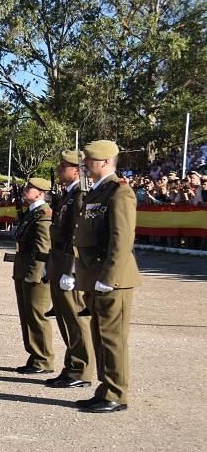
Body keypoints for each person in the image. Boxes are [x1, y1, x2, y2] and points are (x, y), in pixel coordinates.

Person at [73, 140, 140, 413]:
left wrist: (108, 277)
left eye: (90, 161)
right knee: (100, 336)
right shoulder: (96, 192)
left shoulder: (119, 193)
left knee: (113, 339)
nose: (86, 165)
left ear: (105, 162)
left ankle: (116, 393)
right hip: (95, 275)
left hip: (113, 278)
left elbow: (121, 239)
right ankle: (105, 389)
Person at [46, 150, 94, 388]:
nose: (59, 169)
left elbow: (78, 233)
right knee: (65, 319)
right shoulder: (68, 194)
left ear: (76, 169)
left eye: (63, 165)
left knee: (75, 319)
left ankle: (81, 370)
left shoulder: (80, 195)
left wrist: (74, 268)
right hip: (58, 260)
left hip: (68, 262)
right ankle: (71, 365)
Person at [11, 178, 55, 375]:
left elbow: (43, 247)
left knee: (37, 316)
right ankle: (35, 355)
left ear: (40, 193)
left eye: (30, 188)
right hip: (23, 269)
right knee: (26, 316)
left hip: (35, 273)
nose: (25, 190)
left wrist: (35, 274)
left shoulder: (43, 214)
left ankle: (44, 358)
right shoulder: (32, 213)